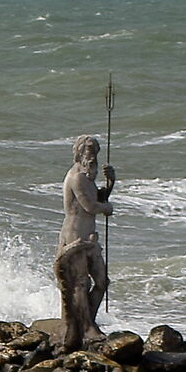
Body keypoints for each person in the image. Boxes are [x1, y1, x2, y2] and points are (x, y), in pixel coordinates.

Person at [54, 134, 114, 345]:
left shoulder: (87, 177)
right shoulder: (77, 177)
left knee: (101, 281)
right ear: (79, 152)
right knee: (80, 283)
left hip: (90, 236)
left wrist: (110, 183)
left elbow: (97, 197)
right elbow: (91, 206)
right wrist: (107, 208)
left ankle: (87, 320)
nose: (92, 154)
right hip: (75, 235)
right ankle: (87, 328)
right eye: (87, 149)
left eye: (94, 150)